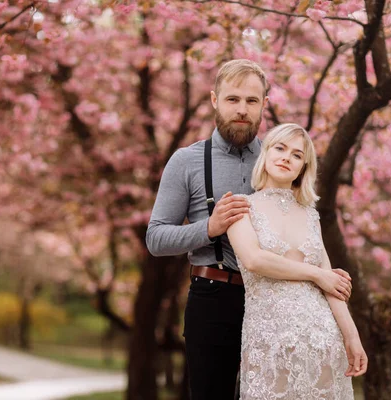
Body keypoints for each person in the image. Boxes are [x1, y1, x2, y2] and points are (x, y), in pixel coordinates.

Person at [146, 59, 353, 399]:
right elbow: (156, 238)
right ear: (215, 100)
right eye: (232, 99)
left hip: (280, 304)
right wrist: (209, 228)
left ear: (263, 106)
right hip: (214, 297)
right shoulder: (186, 162)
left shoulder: (284, 158)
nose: (242, 110)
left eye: (251, 101)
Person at [227, 123, 367, 399]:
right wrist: (315, 274)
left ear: (303, 167)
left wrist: (352, 338)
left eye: (296, 155)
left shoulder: (310, 215)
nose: (286, 158)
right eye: (280, 148)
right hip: (270, 342)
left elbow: (332, 283)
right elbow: (254, 260)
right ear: (266, 153)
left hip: (323, 341)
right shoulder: (240, 205)